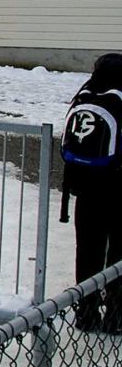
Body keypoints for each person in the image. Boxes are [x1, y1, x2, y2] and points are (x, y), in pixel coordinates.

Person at [62, 52, 122, 332]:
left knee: (87, 251)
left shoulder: (85, 93)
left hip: (85, 188)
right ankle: (116, 316)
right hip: (117, 187)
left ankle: (86, 315)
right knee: (118, 254)